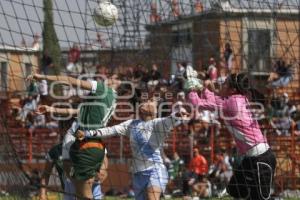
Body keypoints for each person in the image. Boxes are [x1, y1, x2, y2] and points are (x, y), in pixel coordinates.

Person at [28, 72, 121, 199]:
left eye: (113, 77)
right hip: (91, 143)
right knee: (79, 188)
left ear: (118, 83)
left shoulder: (103, 89)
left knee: (82, 191)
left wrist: (43, 77)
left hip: (83, 143)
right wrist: (51, 109)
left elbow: (70, 80)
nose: (107, 78)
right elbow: (77, 112)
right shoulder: (111, 99)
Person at [186, 73, 277, 200]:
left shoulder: (231, 103)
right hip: (251, 159)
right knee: (236, 190)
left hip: (261, 159)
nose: (221, 85)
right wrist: (203, 89)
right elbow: (215, 99)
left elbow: (198, 103)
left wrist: (191, 89)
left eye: (225, 83)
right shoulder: (237, 99)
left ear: (232, 90)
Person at [75, 100, 190, 200]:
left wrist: (177, 115)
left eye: (150, 102)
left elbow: (169, 120)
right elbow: (110, 130)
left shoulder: (157, 124)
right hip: (137, 173)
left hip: (155, 170)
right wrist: (87, 133)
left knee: (152, 197)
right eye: (144, 102)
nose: (145, 103)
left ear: (154, 111)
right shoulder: (131, 124)